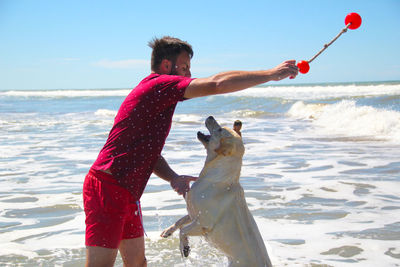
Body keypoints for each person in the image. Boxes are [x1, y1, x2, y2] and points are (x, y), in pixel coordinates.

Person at [83, 36, 298, 267]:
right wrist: (270, 74)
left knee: (137, 263)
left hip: (127, 192)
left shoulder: (159, 96)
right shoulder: (159, 85)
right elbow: (217, 83)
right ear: (167, 66)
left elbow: (149, 154)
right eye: (184, 68)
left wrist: (173, 177)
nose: (188, 75)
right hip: (107, 185)